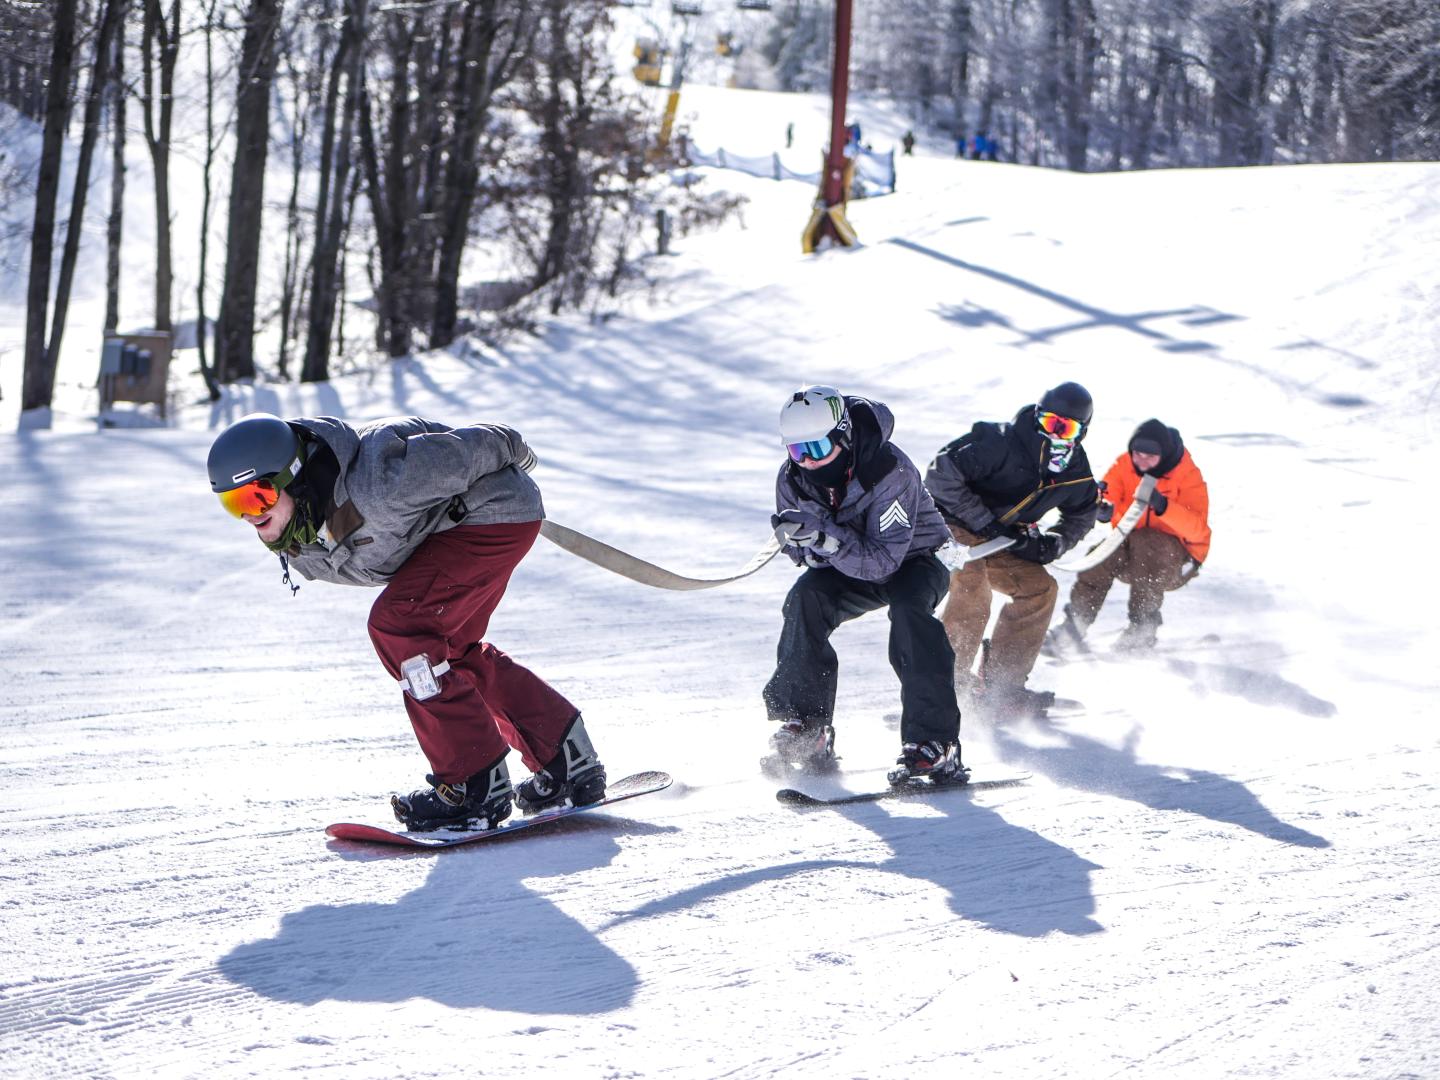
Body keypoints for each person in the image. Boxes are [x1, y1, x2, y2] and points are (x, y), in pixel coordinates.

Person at [206, 413, 606, 832]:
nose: (249, 515)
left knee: (399, 627)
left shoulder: (379, 482)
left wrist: (516, 451)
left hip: (491, 517)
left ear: (296, 475)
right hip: (457, 534)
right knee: (449, 652)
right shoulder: (303, 536)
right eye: (234, 504)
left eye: (258, 497)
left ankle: (473, 782)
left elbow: (473, 449)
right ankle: (565, 758)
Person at [762, 386, 965, 784]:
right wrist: (802, 545)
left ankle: (935, 741)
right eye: (797, 450)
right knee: (805, 599)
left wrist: (825, 540)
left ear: (843, 435)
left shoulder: (890, 470)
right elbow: (801, 551)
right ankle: (808, 725)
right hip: (849, 559)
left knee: (909, 612)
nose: (808, 461)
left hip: (917, 558)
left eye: (817, 448)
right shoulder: (792, 479)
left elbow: (884, 561)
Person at [924, 383, 1100, 717]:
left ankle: (1002, 688)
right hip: (950, 524)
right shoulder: (998, 442)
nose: (1055, 433)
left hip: (1001, 539)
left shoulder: (1075, 472)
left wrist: (1053, 543)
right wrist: (985, 521)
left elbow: (1083, 512)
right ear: (1036, 416)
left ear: (1082, 432)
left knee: (1040, 589)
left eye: (1066, 428)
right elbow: (940, 477)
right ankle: (945, 687)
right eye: (1049, 422)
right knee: (972, 583)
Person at [1047, 419, 1211, 653]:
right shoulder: (1125, 465)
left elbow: (1198, 530)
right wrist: (1103, 509)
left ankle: (1142, 628)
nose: (1141, 461)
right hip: (1134, 551)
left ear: (1163, 455)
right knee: (1100, 557)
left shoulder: (1187, 475)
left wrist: (1164, 506)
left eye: (1150, 457)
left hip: (1178, 563)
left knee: (1149, 543)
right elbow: (1108, 494)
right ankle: (1074, 624)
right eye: (1137, 454)